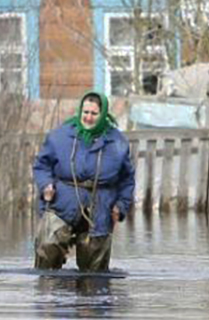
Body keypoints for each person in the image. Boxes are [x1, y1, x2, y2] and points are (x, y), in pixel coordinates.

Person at [31, 91, 135, 272]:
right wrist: (46, 184)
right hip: (63, 200)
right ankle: (50, 294)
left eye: (94, 114)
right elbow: (42, 165)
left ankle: (89, 297)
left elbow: (127, 179)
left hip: (100, 205)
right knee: (48, 248)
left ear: (102, 115)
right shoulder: (60, 136)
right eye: (85, 112)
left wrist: (121, 205)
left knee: (94, 269)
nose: (88, 118)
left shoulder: (117, 142)